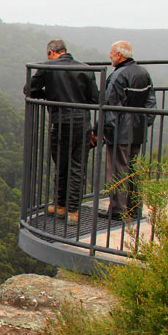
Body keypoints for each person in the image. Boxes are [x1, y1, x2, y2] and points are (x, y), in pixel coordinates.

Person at [25, 39, 99, 225]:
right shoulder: (85, 68)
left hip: (61, 122)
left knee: (61, 164)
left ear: (51, 52)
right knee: (77, 166)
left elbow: (29, 89)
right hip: (82, 123)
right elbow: (95, 99)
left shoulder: (49, 67)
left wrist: (48, 95)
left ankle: (60, 205)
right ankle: (73, 211)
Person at [95, 40, 156, 220]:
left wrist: (106, 132)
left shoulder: (118, 76)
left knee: (117, 171)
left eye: (112, 53)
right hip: (137, 130)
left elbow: (110, 107)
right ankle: (134, 208)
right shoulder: (143, 73)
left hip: (120, 132)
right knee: (132, 169)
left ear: (119, 55)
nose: (110, 56)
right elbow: (151, 103)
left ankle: (117, 210)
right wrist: (144, 123)